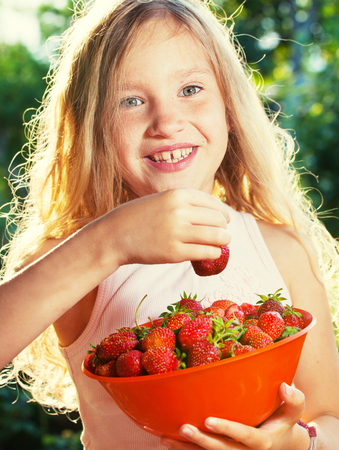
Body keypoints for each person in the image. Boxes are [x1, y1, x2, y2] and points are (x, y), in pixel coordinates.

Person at [1, 0, 339, 448]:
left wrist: (293, 443)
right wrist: (109, 242)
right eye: (132, 100)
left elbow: (330, 418)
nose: (166, 121)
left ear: (230, 109)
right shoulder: (78, 257)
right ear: (93, 127)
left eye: (190, 89)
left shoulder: (278, 249)